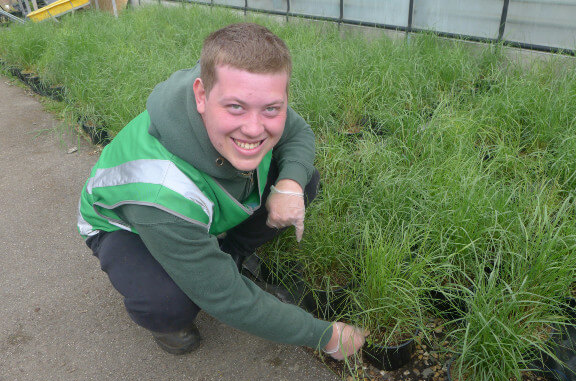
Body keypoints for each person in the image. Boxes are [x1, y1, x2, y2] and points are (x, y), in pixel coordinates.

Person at [77, 22, 366, 360]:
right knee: (169, 303)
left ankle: (230, 254)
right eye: (236, 108)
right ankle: (167, 318)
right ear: (201, 95)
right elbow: (226, 299)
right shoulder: (160, 192)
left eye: (271, 108)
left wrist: (289, 184)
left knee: (304, 179)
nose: (255, 127)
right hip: (124, 226)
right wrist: (323, 335)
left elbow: (297, 132)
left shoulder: (241, 87)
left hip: (189, 208)